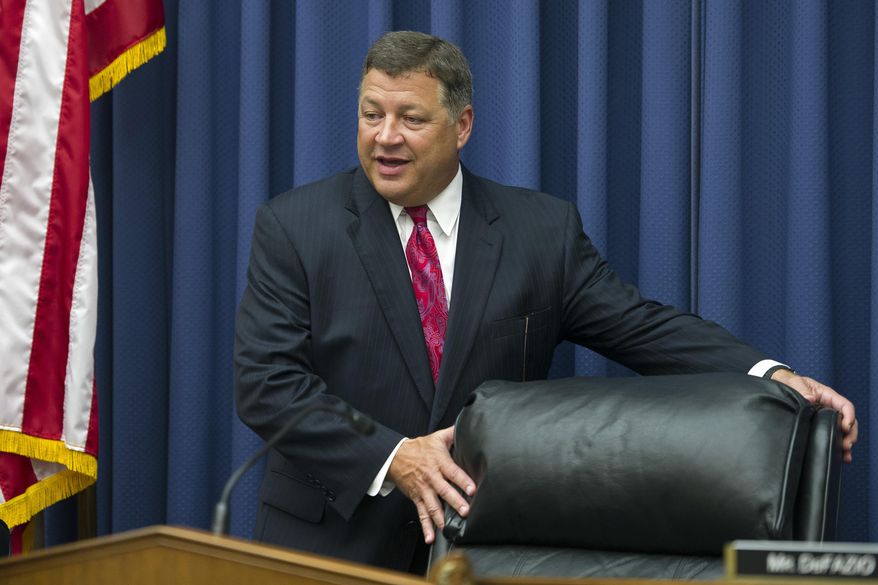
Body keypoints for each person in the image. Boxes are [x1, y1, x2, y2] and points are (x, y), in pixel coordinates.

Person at [234, 30, 857, 575]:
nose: (386, 137)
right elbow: (267, 382)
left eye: (411, 119)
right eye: (372, 115)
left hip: (481, 548)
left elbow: (642, 329)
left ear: (463, 125)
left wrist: (774, 378)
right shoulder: (295, 227)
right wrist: (393, 455)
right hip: (327, 544)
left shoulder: (540, 232)